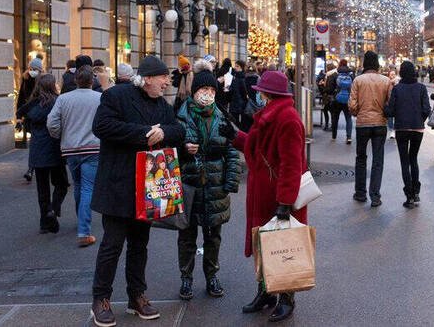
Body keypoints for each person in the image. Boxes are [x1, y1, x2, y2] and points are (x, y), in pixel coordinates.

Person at [89, 55, 185, 326]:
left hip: (148, 189)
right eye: (164, 77)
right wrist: (144, 133)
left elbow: (178, 130)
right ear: (148, 79)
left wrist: (163, 133)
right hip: (118, 185)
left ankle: (136, 296)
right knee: (112, 245)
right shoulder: (116, 96)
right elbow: (102, 127)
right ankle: (100, 299)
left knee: (140, 246)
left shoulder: (163, 105)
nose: (168, 82)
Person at [229, 70, 307, 323]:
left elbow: (291, 164)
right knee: (264, 243)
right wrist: (234, 136)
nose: (258, 95)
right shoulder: (269, 115)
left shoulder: (287, 119)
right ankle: (266, 292)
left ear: (269, 94)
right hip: (264, 191)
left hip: (278, 194)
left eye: (261, 91)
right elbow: (255, 147)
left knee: (282, 246)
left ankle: (286, 297)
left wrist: (285, 202)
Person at [175, 63, 241, 301]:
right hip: (190, 185)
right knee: (186, 236)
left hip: (215, 186)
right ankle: (186, 278)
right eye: (203, 89)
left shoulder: (222, 118)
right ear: (194, 92)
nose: (208, 94)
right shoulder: (180, 117)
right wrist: (183, 149)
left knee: (213, 236)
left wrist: (230, 182)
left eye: (212, 91)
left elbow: (232, 152)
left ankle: (212, 275)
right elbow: (169, 151)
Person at [47, 65, 102, 247]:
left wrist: (61, 135)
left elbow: (52, 123)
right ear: (92, 81)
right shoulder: (99, 98)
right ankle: (84, 231)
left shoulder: (63, 99)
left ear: (76, 81)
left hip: (71, 149)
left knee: (79, 185)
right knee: (87, 188)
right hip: (93, 148)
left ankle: (82, 221)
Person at [16, 73, 68, 234]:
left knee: (42, 188)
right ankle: (53, 210)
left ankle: (44, 223)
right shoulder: (57, 102)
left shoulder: (33, 104)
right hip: (54, 149)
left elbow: (20, 112)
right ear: (52, 86)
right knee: (61, 184)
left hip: (38, 150)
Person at [348, 51, 392, 207]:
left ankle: (360, 193)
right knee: (378, 160)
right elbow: (390, 104)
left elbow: (352, 105)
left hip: (363, 124)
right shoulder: (386, 81)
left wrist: (357, 112)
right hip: (380, 124)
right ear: (377, 65)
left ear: (364, 63)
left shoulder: (358, 80)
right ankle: (375, 196)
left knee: (361, 158)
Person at [385, 61, 430, 208]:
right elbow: (426, 109)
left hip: (401, 129)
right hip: (417, 129)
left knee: (404, 162)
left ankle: (409, 196)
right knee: (413, 160)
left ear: (401, 72)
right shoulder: (422, 88)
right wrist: (419, 120)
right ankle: (416, 192)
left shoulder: (397, 89)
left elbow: (390, 111)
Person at [17, 57, 44, 182]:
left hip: (40, 117)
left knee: (35, 144)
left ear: (40, 70)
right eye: (31, 68)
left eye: (35, 69)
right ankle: (32, 169)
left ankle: (32, 169)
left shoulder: (43, 81)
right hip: (30, 116)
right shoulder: (26, 79)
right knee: (34, 144)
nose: (32, 71)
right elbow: (21, 98)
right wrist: (18, 118)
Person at [327, 59, 354, 144]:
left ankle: (334, 136)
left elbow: (329, 89)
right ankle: (349, 137)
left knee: (335, 118)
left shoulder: (335, 74)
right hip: (348, 99)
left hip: (337, 99)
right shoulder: (351, 75)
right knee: (348, 118)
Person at [228, 59, 249, 128]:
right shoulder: (235, 76)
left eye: (237, 66)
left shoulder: (241, 78)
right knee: (234, 121)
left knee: (237, 122)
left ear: (241, 68)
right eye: (235, 66)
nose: (235, 68)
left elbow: (244, 92)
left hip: (238, 103)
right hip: (234, 102)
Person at [386, 67, 400, 139]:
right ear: (389, 75)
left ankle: (395, 130)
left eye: (394, 74)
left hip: (397, 103)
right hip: (389, 103)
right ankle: (392, 130)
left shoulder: (398, 83)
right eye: (391, 74)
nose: (393, 76)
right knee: (390, 118)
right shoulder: (387, 83)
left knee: (397, 117)